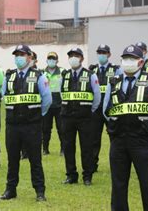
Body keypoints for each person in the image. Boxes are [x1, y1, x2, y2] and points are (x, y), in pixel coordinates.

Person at [103, 44, 148, 210]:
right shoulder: (114, 82)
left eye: (131, 59)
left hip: (143, 141)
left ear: (141, 62)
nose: (128, 62)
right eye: (125, 59)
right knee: (118, 184)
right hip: (119, 141)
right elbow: (106, 110)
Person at [0, 44, 52, 201]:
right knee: (12, 160)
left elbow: (47, 100)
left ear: (30, 57)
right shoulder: (9, 76)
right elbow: (4, 96)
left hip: (32, 125)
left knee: (35, 160)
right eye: (16, 55)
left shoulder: (39, 76)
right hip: (12, 125)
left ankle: (40, 192)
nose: (19, 58)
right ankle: (10, 190)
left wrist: (35, 115)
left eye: (22, 55)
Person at [60, 47, 101, 186]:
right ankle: (71, 175)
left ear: (82, 58)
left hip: (85, 117)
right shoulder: (64, 75)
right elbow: (61, 94)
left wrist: (89, 110)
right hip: (67, 116)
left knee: (87, 147)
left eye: (76, 55)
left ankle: (87, 176)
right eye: (71, 55)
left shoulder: (91, 75)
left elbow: (97, 97)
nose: (73, 58)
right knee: (68, 146)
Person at [88, 44, 122, 172]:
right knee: (93, 139)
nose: (101, 55)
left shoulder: (116, 70)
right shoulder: (92, 70)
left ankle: (118, 163)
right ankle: (92, 165)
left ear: (109, 54)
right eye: (99, 52)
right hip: (96, 110)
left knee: (115, 137)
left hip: (110, 108)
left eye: (104, 52)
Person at [42, 51, 64, 155]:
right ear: (46, 60)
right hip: (47, 105)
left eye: (53, 59)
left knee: (61, 128)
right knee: (46, 129)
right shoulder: (42, 73)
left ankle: (63, 149)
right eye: (49, 59)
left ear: (57, 61)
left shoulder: (62, 72)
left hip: (60, 105)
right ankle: (45, 149)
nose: (51, 61)